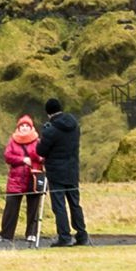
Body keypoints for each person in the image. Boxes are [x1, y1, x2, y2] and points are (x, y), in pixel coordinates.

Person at [38, 97, 87, 245]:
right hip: (72, 171)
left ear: (48, 113)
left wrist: (44, 134)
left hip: (56, 172)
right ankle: (82, 234)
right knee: (75, 203)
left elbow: (41, 150)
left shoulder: (51, 130)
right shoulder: (75, 125)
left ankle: (64, 237)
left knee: (59, 205)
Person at [0, 114, 42, 244]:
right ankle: (6, 234)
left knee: (34, 207)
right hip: (16, 179)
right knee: (11, 207)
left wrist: (34, 158)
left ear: (31, 127)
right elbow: (8, 156)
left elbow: (42, 156)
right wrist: (23, 160)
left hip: (33, 177)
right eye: (22, 126)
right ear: (18, 128)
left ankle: (32, 233)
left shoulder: (37, 141)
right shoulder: (13, 141)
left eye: (27, 126)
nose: (24, 128)